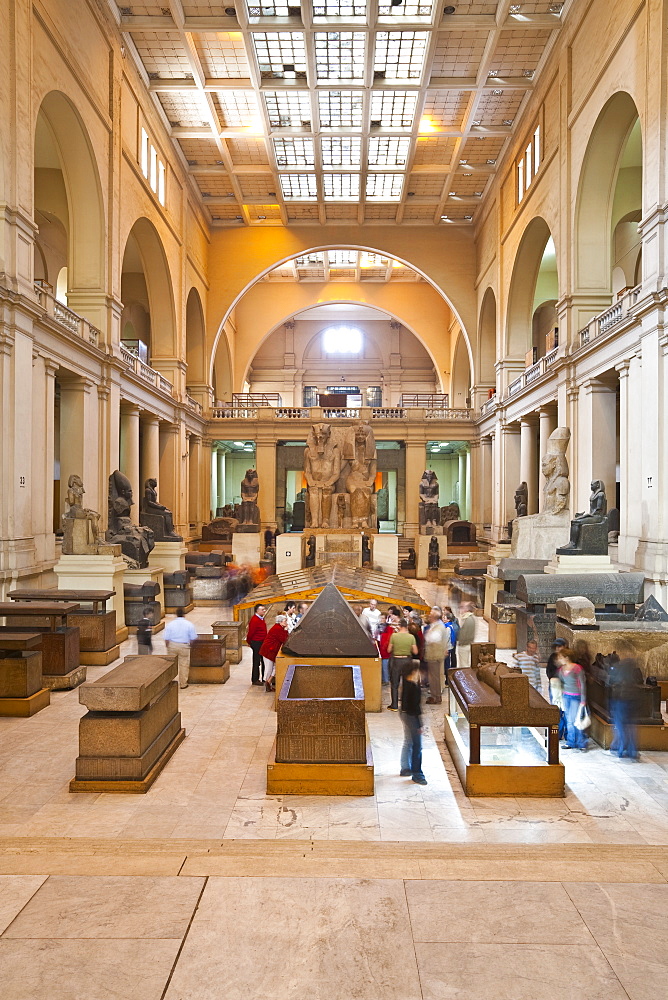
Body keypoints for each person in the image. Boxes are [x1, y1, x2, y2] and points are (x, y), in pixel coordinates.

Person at [607, 657, 642, 759]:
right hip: (632, 703)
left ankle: (621, 750)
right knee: (631, 728)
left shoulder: (620, 675)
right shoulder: (635, 675)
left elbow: (612, 684)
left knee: (621, 728)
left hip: (621, 703)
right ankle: (632, 751)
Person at [399, 660, 427, 785]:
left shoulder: (406, 682)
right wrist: (419, 725)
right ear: (414, 672)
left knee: (408, 741)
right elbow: (415, 708)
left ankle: (405, 767)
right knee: (417, 745)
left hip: (405, 714)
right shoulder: (413, 687)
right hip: (411, 717)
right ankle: (417, 774)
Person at [557, 647, 589, 751]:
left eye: (561, 657)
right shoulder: (561, 670)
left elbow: (583, 684)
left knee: (576, 720)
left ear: (566, 658)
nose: (559, 659)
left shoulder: (577, 669)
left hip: (576, 697)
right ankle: (571, 742)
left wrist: (583, 700)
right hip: (566, 696)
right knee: (569, 720)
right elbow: (561, 684)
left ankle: (581, 743)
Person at [163, 607, 198, 689]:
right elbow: (193, 638)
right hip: (184, 646)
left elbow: (166, 638)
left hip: (172, 645)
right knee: (184, 665)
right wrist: (189, 646)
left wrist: (168, 647)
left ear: (176, 614)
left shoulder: (170, 624)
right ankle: (183, 684)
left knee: (171, 665)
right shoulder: (189, 624)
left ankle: (170, 683)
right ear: (184, 614)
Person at [387, 619, 418, 711]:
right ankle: (405, 706)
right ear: (406, 626)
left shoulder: (394, 636)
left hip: (396, 661)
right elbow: (415, 651)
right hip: (407, 661)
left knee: (395, 683)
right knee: (406, 684)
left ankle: (394, 705)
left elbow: (389, 650)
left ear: (399, 626)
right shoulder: (411, 637)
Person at [423, 609, 451, 704]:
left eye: (431, 614)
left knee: (434, 677)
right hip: (434, 655)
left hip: (435, 655)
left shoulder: (439, 626)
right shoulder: (435, 625)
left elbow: (433, 638)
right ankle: (435, 695)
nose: (429, 616)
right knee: (434, 676)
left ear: (434, 617)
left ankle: (436, 697)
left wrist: (428, 634)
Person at [260, 614, 290, 692]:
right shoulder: (277, 628)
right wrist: (286, 630)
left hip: (272, 651)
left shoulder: (279, 628)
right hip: (268, 651)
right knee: (269, 669)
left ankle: (269, 682)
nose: (286, 622)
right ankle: (268, 684)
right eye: (285, 621)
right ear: (280, 622)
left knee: (275, 667)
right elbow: (284, 639)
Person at [246, 603, 267, 686]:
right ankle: (255, 679)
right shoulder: (255, 620)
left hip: (262, 642)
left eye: (264, 609)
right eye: (262, 610)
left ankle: (264, 678)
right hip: (257, 643)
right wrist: (249, 642)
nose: (264, 611)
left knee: (263, 661)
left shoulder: (261, 618)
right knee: (256, 661)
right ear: (257, 611)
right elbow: (251, 632)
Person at [378, 613, 398, 685]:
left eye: (383, 618)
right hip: (379, 648)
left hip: (385, 649)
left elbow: (389, 638)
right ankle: (383, 678)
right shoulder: (378, 627)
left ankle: (386, 679)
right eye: (380, 618)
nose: (381, 620)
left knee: (385, 665)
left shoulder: (389, 628)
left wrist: (386, 646)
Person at [457, 603, 477, 669]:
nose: (460, 610)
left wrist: (460, 643)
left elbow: (463, 634)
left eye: (462, 608)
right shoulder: (471, 618)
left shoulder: (467, 619)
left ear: (466, 609)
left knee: (463, 665)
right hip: (469, 643)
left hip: (464, 645)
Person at [443, 607, 459, 671]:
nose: (443, 619)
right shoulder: (449, 626)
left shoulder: (448, 628)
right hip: (449, 646)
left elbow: (446, 639)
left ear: (448, 619)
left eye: (444, 618)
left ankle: (447, 673)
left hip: (447, 647)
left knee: (446, 662)